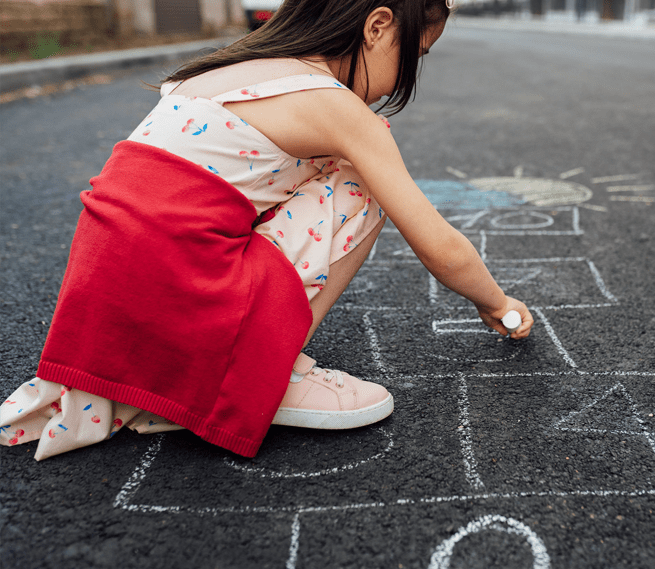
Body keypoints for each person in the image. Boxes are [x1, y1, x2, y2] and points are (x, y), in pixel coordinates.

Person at [0, 0, 533, 461]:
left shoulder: (224, 72)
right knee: (361, 181)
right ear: (377, 27)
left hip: (107, 312)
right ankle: (266, 374)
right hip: (179, 294)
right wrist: (496, 302)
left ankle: (185, 364)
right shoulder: (335, 108)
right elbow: (437, 242)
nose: (406, 75)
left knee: (325, 166)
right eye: (413, 55)